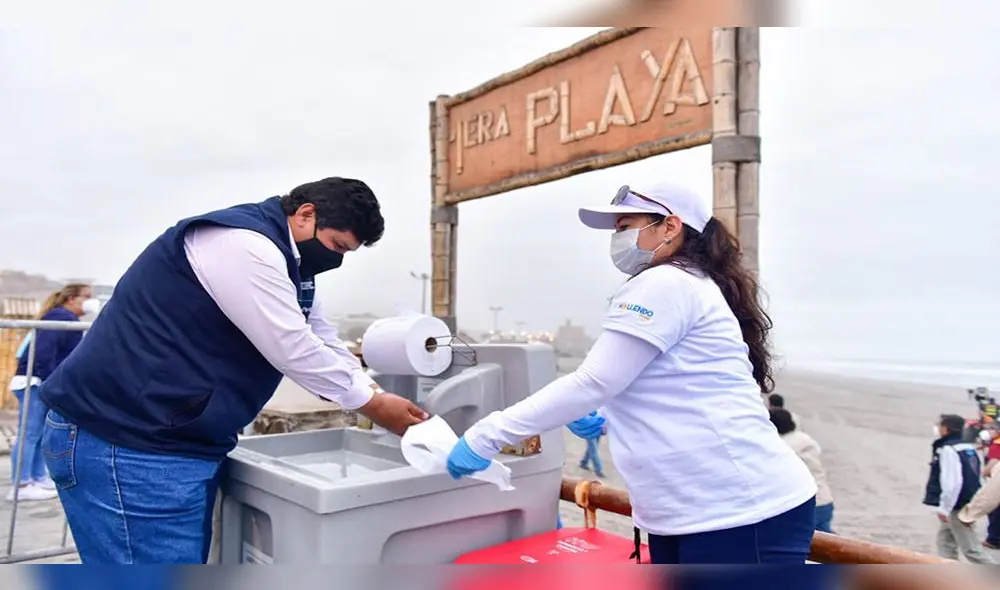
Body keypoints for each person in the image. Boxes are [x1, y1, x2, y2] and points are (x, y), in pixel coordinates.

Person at [38, 177, 428, 564]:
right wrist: (373, 405)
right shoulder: (244, 246)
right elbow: (293, 346)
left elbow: (320, 337)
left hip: (170, 440)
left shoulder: (293, 268)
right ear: (306, 214)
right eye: (337, 245)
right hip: (127, 443)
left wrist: (372, 390)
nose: (337, 259)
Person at [445, 184, 818, 564]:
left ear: (670, 226)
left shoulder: (666, 282)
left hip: (740, 513)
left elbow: (593, 382)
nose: (617, 238)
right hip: (691, 516)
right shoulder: (685, 283)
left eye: (625, 226)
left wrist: (486, 437)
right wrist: (608, 416)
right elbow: (676, 386)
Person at [6, 284, 95, 502]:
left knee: (39, 435)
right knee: (29, 434)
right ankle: (21, 484)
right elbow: (43, 353)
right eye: (86, 296)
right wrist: (51, 383)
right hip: (35, 381)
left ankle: (37, 477)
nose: (90, 301)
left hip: (41, 382)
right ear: (72, 299)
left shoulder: (66, 319)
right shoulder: (60, 317)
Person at [923, 414, 995, 563]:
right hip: (969, 498)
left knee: (971, 549)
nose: (938, 428)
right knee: (945, 541)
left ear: (946, 429)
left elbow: (952, 482)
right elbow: (975, 474)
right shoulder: (968, 447)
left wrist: (945, 508)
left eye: (940, 425)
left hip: (957, 504)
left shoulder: (949, 449)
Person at [769, 409, 836, 533]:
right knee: (826, 538)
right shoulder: (805, 439)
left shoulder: (781, 447)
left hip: (805, 504)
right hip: (824, 499)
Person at [979, 426, 1000, 549]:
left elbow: (991, 466)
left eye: (993, 429)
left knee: (995, 510)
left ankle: (993, 540)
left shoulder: (997, 445)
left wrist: (983, 473)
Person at [576, 410, 607, 477]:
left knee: (592, 448)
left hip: (598, 426)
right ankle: (598, 470)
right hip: (589, 426)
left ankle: (583, 462)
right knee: (593, 449)